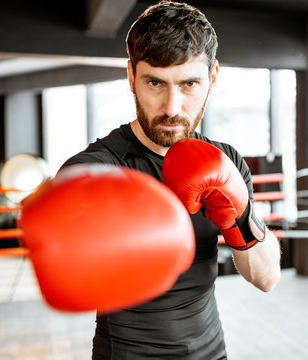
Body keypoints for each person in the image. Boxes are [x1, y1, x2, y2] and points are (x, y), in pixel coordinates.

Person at [60, 1, 282, 358]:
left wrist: (238, 219)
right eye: (155, 83)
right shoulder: (97, 170)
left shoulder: (226, 160)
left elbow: (267, 278)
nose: (172, 107)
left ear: (212, 79)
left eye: (189, 84)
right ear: (131, 76)